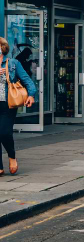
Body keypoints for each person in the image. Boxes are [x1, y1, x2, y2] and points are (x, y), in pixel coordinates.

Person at [0, 37, 36, 175]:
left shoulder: (13, 63)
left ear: (2, 48)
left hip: (7, 104)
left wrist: (31, 95)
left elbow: (27, 80)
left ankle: (12, 155)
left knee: (4, 133)